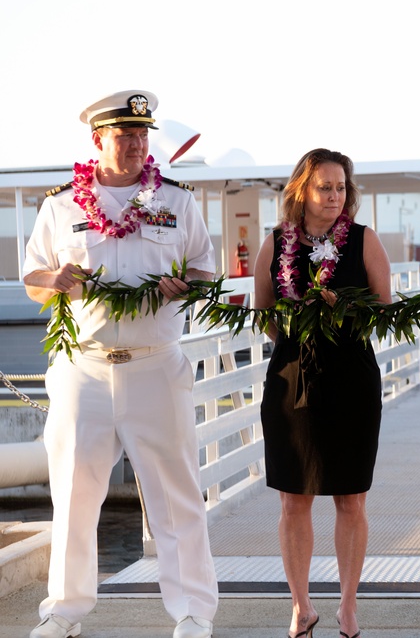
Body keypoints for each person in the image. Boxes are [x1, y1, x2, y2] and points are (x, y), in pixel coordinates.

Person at [21, 90, 218, 638]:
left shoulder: (177, 202)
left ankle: (193, 611)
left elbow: (206, 270)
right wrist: (52, 283)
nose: (136, 145)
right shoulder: (60, 205)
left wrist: (189, 286)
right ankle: (63, 609)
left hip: (157, 366)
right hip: (83, 368)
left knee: (177, 493)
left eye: (142, 136)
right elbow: (33, 277)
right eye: (124, 136)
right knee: (74, 494)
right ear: (98, 140)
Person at [253, 148, 391, 638]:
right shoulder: (274, 244)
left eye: (340, 187)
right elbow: (266, 316)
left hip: (352, 378)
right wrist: (303, 332)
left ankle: (348, 605)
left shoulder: (363, 241)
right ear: (302, 192)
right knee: (294, 499)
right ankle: (301, 605)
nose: (335, 196)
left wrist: (343, 313)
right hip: (293, 380)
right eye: (324, 187)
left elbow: (384, 311)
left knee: (351, 498)